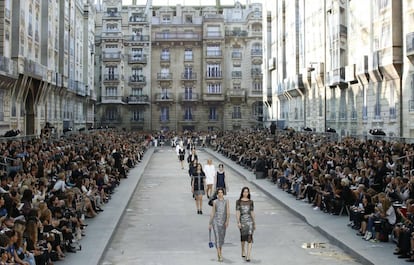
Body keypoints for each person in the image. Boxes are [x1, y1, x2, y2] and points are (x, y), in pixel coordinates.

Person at [208, 187, 230, 262]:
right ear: (217, 194)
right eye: (219, 193)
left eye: (221, 192)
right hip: (216, 221)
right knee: (217, 238)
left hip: (223, 222)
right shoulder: (215, 202)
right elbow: (213, 212)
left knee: (221, 238)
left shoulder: (226, 201)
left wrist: (227, 221)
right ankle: (219, 255)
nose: (220, 194)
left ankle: (220, 252)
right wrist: (210, 223)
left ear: (223, 193)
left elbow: (228, 212)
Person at [236, 187, 256, 262]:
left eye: (247, 192)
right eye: (244, 192)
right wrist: (238, 222)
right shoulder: (238, 202)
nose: (245, 193)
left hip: (250, 221)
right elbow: (237, 212)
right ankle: (242, 250)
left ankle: (248, 255)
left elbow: (252, 212)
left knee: (250, 238)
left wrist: (254, 222)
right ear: (242, 193)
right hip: (242, 221)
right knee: (243, 238)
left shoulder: (251, 202)